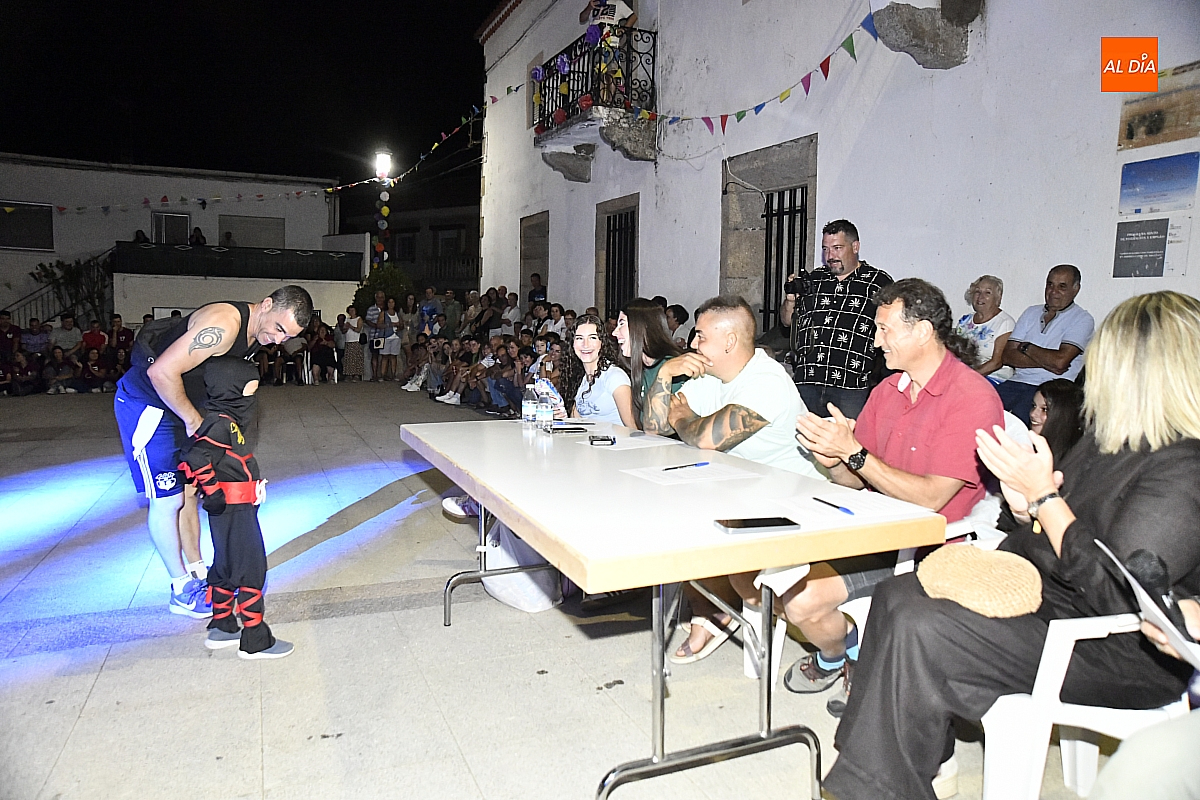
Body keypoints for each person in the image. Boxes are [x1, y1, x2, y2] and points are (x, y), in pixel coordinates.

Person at [823, 290, 1200, 800]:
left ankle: (872, 788)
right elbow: (1057, 525)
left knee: (923, 627)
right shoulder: (1109, 439)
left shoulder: (1184, 468)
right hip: (1052, 600)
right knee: (898, 596)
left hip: (1115, 647)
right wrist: (1026, 507)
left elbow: (1119, 594)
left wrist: (1045, 499)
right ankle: (910, 764)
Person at [785, 278, 1003, 716]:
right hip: (876, 530)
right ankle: (846, 652)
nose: (875, 340)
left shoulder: (971, 397)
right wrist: (833, 458)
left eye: (885, 329)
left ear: (922, 331)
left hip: (931, 547)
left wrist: (854, 454)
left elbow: (930, 501)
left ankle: (857, 660)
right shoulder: (888, 390)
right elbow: (856, 479)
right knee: (782, 582)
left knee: (803, 600)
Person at [642, 297, 827, 660]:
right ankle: (715, 604)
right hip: (752, 491)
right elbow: (654, 426)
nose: (693, 343)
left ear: (729, 341)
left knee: (696, 513)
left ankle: (716, 611)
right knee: (674, 501)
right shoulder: (711, 376)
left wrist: (683, 419)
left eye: (701, 336)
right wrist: (665, 375)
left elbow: (705, 438)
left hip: (799, 501)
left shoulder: (766, 380)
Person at [114, 285, 311, 618]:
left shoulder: (256, 333)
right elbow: (160, 372)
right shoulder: (224, 325)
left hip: (182, 408)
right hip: (149, 406)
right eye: (279, 328)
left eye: (287, 337)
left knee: (190, 492)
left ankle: (197, 570)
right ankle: (180, 589)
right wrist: (195, 423)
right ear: (266, 305)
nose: (278, 340)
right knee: (168, 500)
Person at [178, 358, 292, 659]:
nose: (251, 399)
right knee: (251, 568)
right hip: (235, 509)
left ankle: (223, 624)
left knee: (226, 564)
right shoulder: (220, 424)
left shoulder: (223, 420)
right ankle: (255, 639)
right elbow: (196, 456)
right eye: (247, 391)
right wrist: (213, 492)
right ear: (230, 390)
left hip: (234, 508)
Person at [781, 219, 894, 419]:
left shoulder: (878, 282)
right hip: (807, 380)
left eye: (837, 248)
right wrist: (790, 300)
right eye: (825, 249)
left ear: (855, 247)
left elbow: (893, 327)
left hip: (850, 387)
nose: (830, 256)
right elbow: (787, 322)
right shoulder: (814, 279)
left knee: (847, 437)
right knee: (802, 436)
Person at [998, 264, 1095, 425]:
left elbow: (1060, 362)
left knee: (1019, 422)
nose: (1053, 291)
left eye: (1062, 286)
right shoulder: (1031, 312)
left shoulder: (1082, 319)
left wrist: (1026, 347)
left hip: (1053, 388)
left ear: (1076, 289)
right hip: (1017, 382)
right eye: (1050, 284)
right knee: (981, 409)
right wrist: (1050, 361)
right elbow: (1007, 356)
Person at [612, 298, 685, 428]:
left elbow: (659, 428)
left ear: (642, 326)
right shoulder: (641, 368)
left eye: (621, 323)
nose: (614, 332)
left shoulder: (673, 368)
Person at [561, 314, 636, 426]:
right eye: (579, 338)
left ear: (602, 342)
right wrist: (561, 416)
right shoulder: (581, 379)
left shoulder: (615, 377)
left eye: (592, 338)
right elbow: (576, 423)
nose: (585, 345)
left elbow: (633, 428)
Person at [955, 275, 1015, 383]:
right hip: (962, 375)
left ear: (998, 298)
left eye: (987, 293)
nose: (980, 297)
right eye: (977, 291)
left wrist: (967, 377)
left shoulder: (1005, 323)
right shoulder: (964, 321)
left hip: (993, 377)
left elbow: (997, 362)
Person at [1028, 378, 1084, 462]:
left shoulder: (1074, 456)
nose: (1032, 414)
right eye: (1034, 406)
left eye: (1044, 409)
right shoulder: (1026, 442)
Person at [364, 290, 386, 381]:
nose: (379, 299)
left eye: (381, 297)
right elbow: (368, 321)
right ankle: (375, 375)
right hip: (375, 336)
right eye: (378, 297)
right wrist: (376, 326)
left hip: (386, 336)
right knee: (375, 355)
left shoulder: (387, 308)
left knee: (385, 356)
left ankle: (383, 375)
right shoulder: (371, 309)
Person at [381, 297, 402, 381]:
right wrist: (390, 325)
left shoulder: (398, 314)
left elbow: (402, 324)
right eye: (389, 302)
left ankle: (393, 374)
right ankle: (383, 374)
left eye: (392, 302)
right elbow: (379, 324)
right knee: (385, 356)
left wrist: (399, 327)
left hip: (396, 336)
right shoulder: (383, 313)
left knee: (394, 356)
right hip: (386, 336)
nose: (391, 304)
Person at [343, 305, 365, 380]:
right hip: (348, 341)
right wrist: (345, 328)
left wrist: (351, 326)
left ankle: (356, 374)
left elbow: (358, 329)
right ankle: (349, 373)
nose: (351, 312)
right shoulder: (347, 319)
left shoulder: (358, 319)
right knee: (349, 359)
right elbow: (343, 331)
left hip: (356, 340)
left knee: (356, 358)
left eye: (353, 310)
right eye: (350, 311)